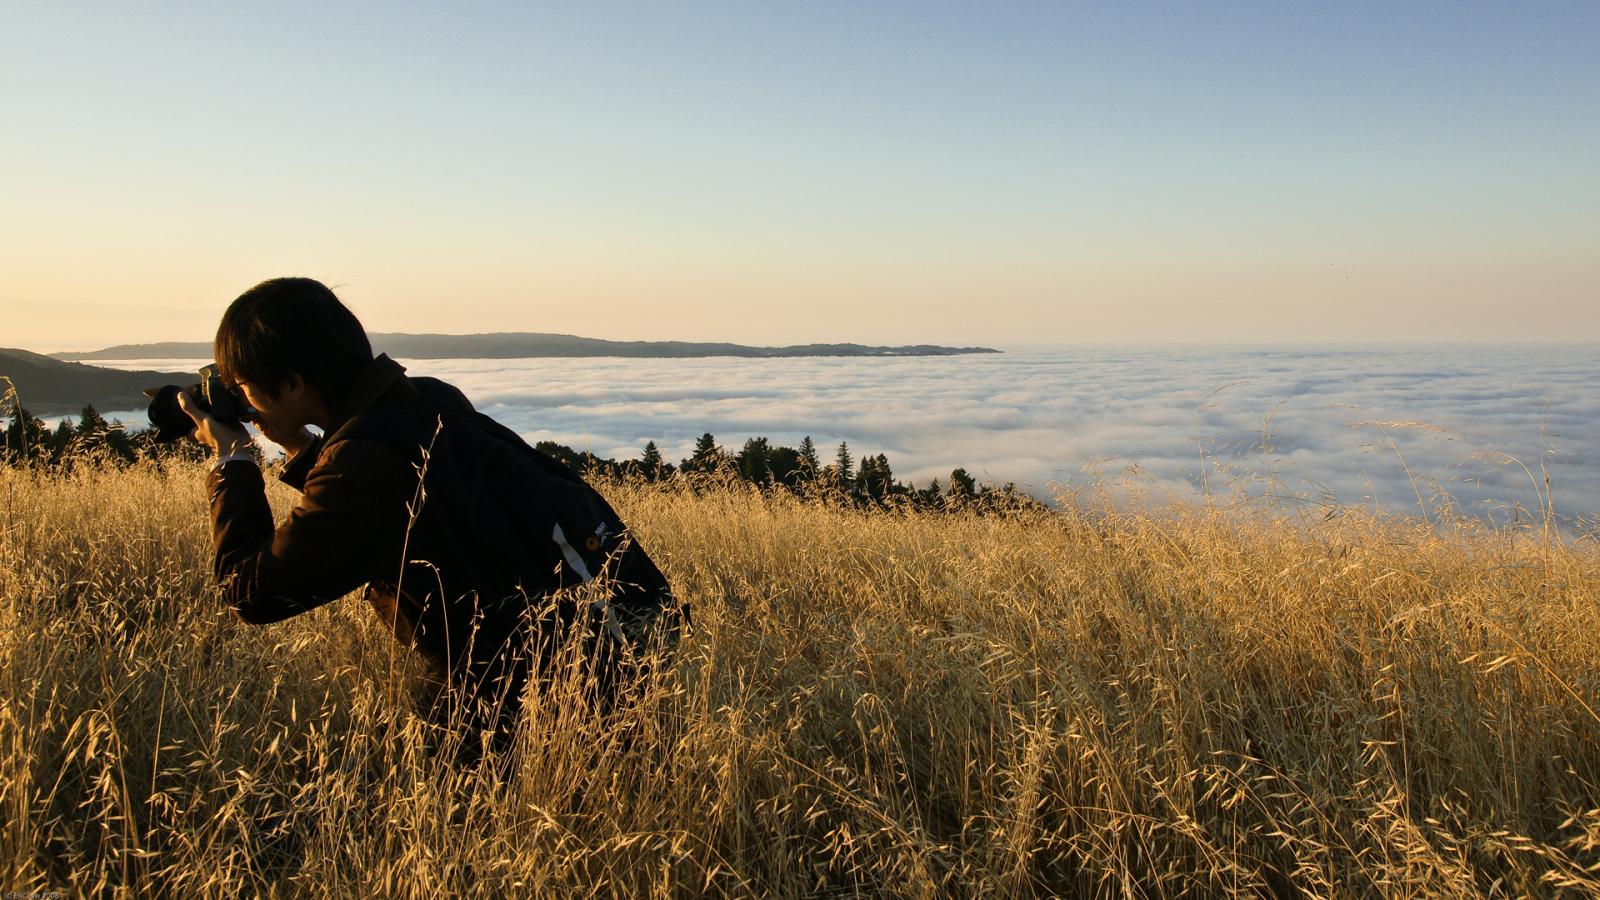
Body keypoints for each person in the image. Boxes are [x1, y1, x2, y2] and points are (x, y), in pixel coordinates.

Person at [179, 277, 682, 769]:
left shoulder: (365, 463)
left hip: (509, 687)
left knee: (443, 827)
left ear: (291, 383)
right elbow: (397, 504)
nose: (243, 405)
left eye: (244, 387)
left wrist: (232, 460)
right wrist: (301, 447)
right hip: (570, 654)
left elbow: (253, 591)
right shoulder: (424, 401)